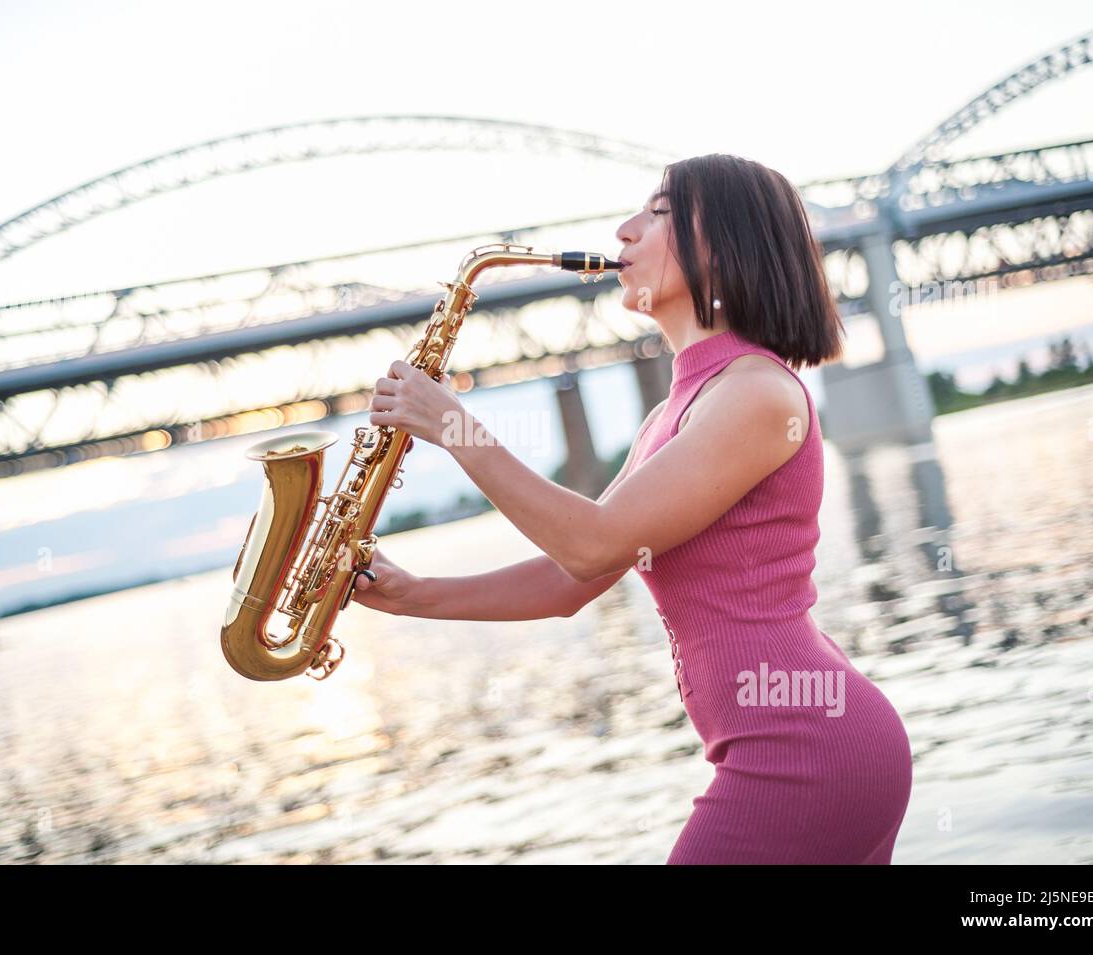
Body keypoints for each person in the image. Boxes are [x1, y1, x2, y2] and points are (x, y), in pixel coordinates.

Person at [351, 153, 914, 864]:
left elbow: (592, 544)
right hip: (795, 746)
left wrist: (456, 429)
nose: (622, 232)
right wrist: (413, 596)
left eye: (657, 213)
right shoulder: (675, 412)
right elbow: (573, 578)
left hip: (807, 751)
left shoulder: (757, 394)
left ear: (726, 242)